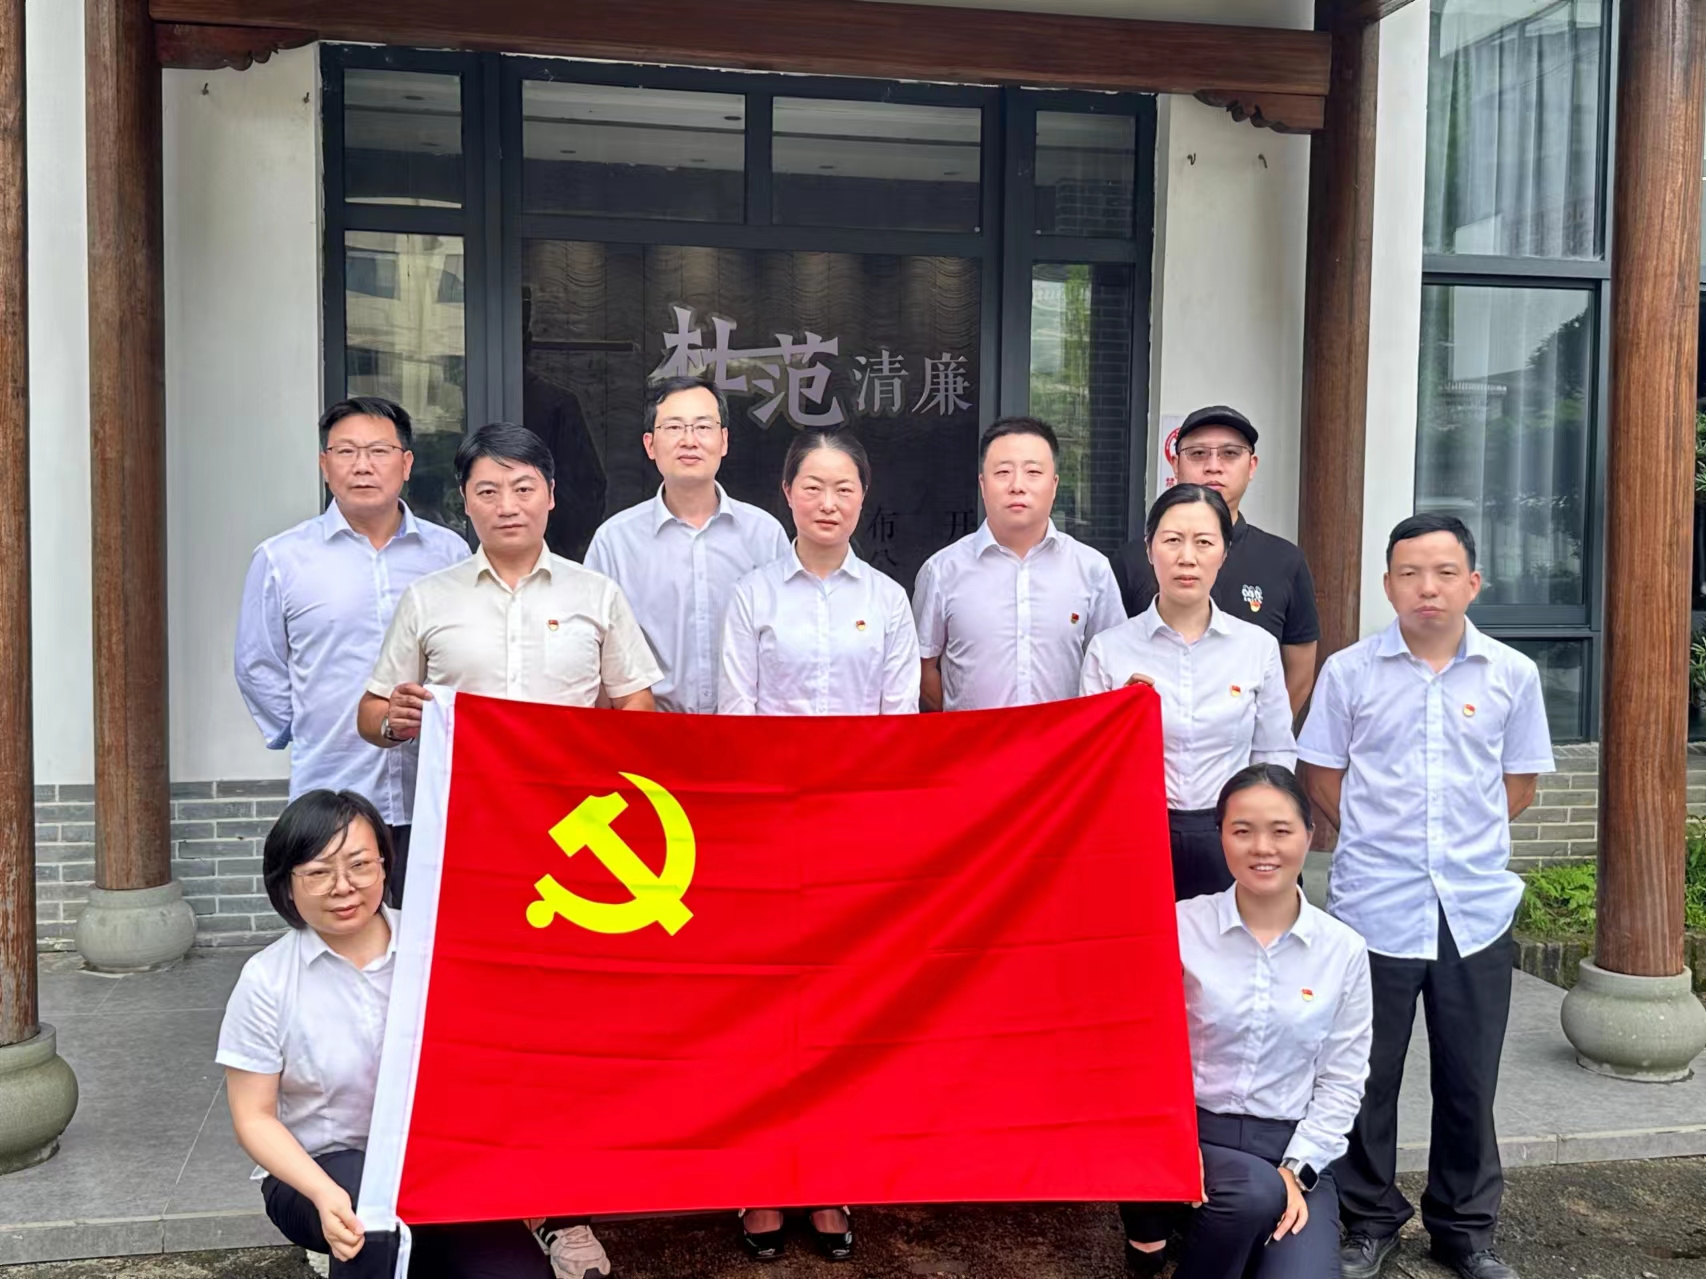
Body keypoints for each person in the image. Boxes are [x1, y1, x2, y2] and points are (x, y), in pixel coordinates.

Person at [356, 422, 659, 1278]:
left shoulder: (597, 594)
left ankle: (566, 1210)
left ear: (551, 496)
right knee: (468, 1023)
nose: (507, 505)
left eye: (523, 487)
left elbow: (638, 709)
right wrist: (397, 718)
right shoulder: (430, 599)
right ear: (466, 502)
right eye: (487, 491)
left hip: (575, 860)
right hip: (464, 852)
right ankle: (473, 1196)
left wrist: (592, 753)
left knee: (567, 1030)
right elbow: (372, 714)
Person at [1297, 514, 1554, 1279]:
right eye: (1410, 573)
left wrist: (1458, 846)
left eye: (1444, 572)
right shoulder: (1349, 672)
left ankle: (1465, 1229)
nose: (1427, 587)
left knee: (1469, 1078)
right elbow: (1321, 775)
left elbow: (1518, 784)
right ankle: (1368, 1217)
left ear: (1473, 582)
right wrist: (1382, 840)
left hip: (1473, 910)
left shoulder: (1512, 674)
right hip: (1373, 904)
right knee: (1365, 1077)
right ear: (1389, 585)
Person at [217, 789, 566, 1279]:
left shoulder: (439, 949)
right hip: (317, 1173)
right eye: (318, 872)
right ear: (287, 885)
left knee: (516, 1273)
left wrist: (511, 1173)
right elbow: (253, 1117)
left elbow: (496, 1071)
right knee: (370, 1219)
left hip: (440, 1168)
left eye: (360, 865)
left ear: (385, 865)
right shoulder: (266, 980)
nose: (344, 886)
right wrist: (322, 1192)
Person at [719, 428, 919, 1259]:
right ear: (787, 493)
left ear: (863, 497)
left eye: (844, 488)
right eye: (813, 486)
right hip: (770, 832)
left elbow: (900, 726)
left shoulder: (890, 599)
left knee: (845, 1012)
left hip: (857, 837)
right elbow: (736, 717)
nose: (828, 502)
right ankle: (761, 1180)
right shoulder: (753, 596)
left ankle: (833, 1180)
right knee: (768, 1012)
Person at [1120, 764, 1373, 1278]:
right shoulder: (1179, 927)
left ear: (1308, 835)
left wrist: (1296, 1172)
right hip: (1193, 1136)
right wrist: (1170, 1140)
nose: (1262, 848)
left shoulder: (1343, 950)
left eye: (1280, 831)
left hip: (1288, 1142)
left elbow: (1342, 1079)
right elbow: (1139, 1049)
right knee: (1251, 1196)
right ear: (1221, 837)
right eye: (1242, 831)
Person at [235, 397, 468, 906]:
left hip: (433, 785)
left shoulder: (449, 553)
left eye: (379, 451)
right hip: (333, 781)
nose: (363, 465)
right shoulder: (282, 558)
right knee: (343, 921)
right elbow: (257, 665)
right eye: (346, 451)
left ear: (406, 463)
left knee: (430, 928)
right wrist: (309, 727)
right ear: (325, 464)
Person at [1081, 484, 1295, 901]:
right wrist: (1118, 718)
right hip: (1137, 834)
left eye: (1204, 542)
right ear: (1149, 549)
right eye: (1173, 540)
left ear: (1224, 553)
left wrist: (1263, 828)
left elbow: (1274, 751)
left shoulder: (1257, 647)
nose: (1187, 558)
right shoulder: (1109, 649)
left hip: (1229, 832)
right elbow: (1092, 765)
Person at [584, 374, 790, 714]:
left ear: (724, 441)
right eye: (674, 427)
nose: (689, 440)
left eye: (703, 427)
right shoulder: (615, 542)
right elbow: (593, 654)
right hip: (650, 730)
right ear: (650, 445)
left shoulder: (765, 535)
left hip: (746, 728)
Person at [1111, 406, 1319, 714]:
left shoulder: (1285, 561)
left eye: (1230, 454)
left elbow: (1299, 672)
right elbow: (1113, 655)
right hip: (1151, 736)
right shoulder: (1132, 560)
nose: (1213, 467)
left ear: (1251, 465)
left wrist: (1258, 730)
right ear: (1175, 464)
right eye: (1197, 454)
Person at [912, 416, 1124, 711]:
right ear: (983, 485)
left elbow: (1113, 665)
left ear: (1054, 485)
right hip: (976, 740)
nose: (1017, 486)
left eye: (1033, 472)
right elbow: (923, 669)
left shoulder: (1092, 570)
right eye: (1003, 472)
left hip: (1064, 740)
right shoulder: (942, 571)